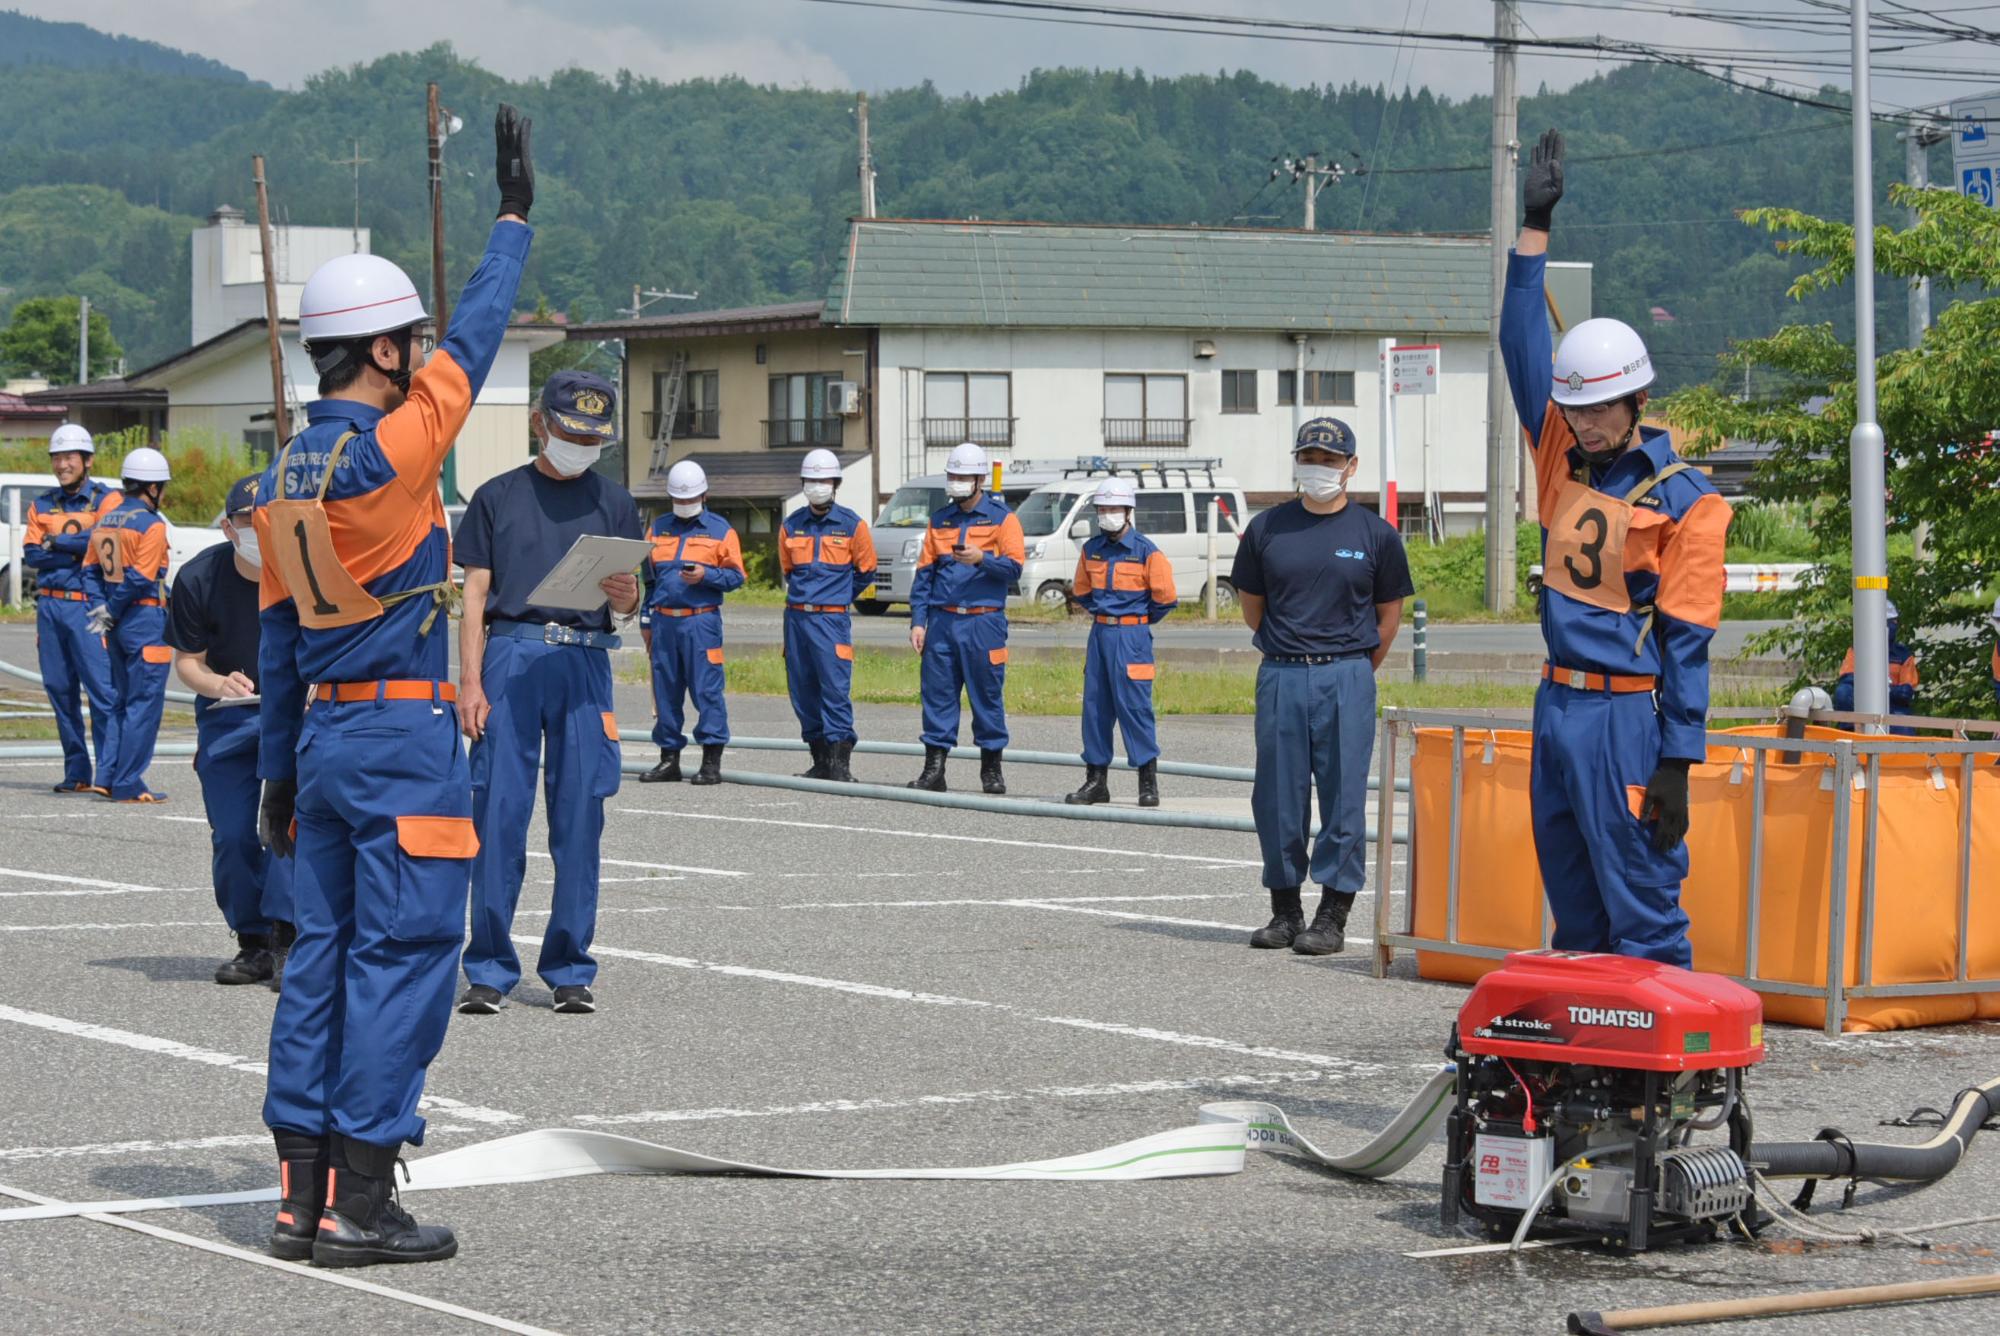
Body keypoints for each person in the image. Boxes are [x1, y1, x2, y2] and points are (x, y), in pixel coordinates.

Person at [254, 103, 535, 1269]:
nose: (421, 357)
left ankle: (302, 1193)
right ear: (380, 351)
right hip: (405, 746)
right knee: (406, 960)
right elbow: (476, 336)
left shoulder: (283, 470)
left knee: (319, 958)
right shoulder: (389, 451)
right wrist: (512, 221)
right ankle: (364, 1199)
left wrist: (275, 774)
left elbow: (276, 643)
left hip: (319, 743)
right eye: (404, 343)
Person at [1500, 128, 1733, 969]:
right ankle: (1586, 1087)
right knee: (1575, 915)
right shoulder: (1559, 455)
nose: (1586, 423)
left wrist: (1678, 758)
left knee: (1644, 904)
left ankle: (1659, 1090)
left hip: (1628, 717)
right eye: (1576, 408)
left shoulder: (1689, 502)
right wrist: (1534, 230)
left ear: (1636, 402)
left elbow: (1689, 640)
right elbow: (1520, 341)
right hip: (1556, 706)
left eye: (1601, 410)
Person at [456, 369, 643, 1018]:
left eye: (593, 438)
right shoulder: (497, 497)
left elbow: (629, 596)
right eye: (570, 432)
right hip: (511, 655)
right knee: (497, 816)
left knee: (579, 819)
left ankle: (569, 968)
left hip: (586, 661)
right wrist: (469, 683)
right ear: (541, 423)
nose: (581, 445)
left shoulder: (615, 501)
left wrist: (629, 598)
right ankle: (487, 969)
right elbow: (474, 596)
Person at [1231, 418, 1412, 956]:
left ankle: (1333, 913)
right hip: (1282, 671)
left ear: (1351, 467)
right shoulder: (1267, 529)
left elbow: (1389, 616)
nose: (1319, 468)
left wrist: (1353, 670)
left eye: (1331, 460)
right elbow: (1252, 608)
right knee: (1277, 795)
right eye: (1310, 457)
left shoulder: (1375, 534)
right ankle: (1285, 911)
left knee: (1344, 798)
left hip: (1347, 673)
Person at [168, 474, 297, 988]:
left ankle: (291, 938)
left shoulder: (301, 571)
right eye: (248, 522)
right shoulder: (198, 578)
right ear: (228, 528)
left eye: (269, 519)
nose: (259, 529)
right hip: (231, 716)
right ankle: (253, 941)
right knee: (235, 832)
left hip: (294, 711)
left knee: (291, 827)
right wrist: (219, 683)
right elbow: (188, 665)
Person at [907, 442, 1023, 794]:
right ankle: (934, 769)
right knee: (937, 696)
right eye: (952, 475)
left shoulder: (1004, 519)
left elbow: (1015, 568)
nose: (955, 482)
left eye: (962, 476)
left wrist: (982, 559)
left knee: (987, 695)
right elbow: (924, 574)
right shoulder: (940, 520)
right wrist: (918, 620)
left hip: (983, 622)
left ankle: (991, 770)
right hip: (942, 622)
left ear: (979, 479)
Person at [1064, 476, 1176, 808]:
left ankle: (1147, 781)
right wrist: (1106, 615)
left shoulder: (1147, 552)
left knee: (1135, 708)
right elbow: (1081, 592)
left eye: (1113, 508)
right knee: (1095, 708)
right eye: (1102, 509)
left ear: (1128, 511)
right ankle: (1096, 780)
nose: (1106, 514)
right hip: (1099, 634)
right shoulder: (1091, 550)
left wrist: (1136, 621)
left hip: (1132, 637)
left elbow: (1165, 599)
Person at [22, 423, 122, 795]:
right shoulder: (42, 503)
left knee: (102, 690)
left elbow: (102, 540)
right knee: (59, 689)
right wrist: (75, 546)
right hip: (50, 606)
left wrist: (55, 542)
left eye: (69, 457)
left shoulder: (107, 499)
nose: (62, 464)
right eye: (57, 458)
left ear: (87, 460)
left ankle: (109, 773)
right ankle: (77, 770)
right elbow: (32, 555)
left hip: (89, 607)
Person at [638, 458, 744, 786]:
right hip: (664, 621)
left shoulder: (720, 530)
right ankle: (669, 759)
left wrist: (706, 575)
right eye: (678, 500)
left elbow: (736, 575)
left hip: (701, 622)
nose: (684, 505)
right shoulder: (658, 528)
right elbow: (650, 580)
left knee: (707, 690)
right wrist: (646, 618)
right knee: (666, 689)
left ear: (704, 497)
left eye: (690, 499)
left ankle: (711, 761)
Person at [83, 445, 175, 804]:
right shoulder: (150, 524)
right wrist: (115, 609)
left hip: (115, 624)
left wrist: (100, 609)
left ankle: (106, 776)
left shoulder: (104, 521)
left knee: (120, 702)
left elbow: (88, 571)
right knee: (144, 703)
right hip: (143, 618)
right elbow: (141, 577)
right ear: (152, 488)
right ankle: (129, 782)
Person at [779, 448, 877, 783]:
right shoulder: (791, 525)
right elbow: (789, 570)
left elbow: (866, 571)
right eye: (811, 480)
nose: (817, 486)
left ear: (835, 483)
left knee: (834, 690)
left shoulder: (853, 525)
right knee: (802, 689)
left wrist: (836, 598)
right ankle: (819, 759)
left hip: (831, 620)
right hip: (796, 618)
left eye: (823, 480)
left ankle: (840, 763)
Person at [1832, 598, 1919, 732]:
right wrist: (1875, 687)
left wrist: (1886, 690)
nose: (1894, 625)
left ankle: (1903, 751)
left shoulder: (1903, 655)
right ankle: (1851, 731)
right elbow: (1847, 678)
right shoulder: (1858, 650)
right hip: (1861, 707)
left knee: (1904, 730)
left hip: (1893, 709)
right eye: (1890, 622)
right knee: (1843, 692)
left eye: (1895, 621)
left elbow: (1905, 692)